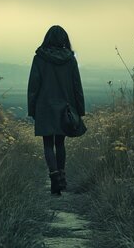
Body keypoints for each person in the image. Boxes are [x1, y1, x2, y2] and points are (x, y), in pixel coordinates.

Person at [27, 25, 85, 195]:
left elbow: (33, 86)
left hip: (44, 107)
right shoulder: (70, 59)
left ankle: (55, 181)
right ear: (64, 39)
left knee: (47, 144)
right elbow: (77, 86)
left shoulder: (39, 58)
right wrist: (79, 110)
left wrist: (32, 110)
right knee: (60, 143)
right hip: (65, 109)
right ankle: (62, 179)